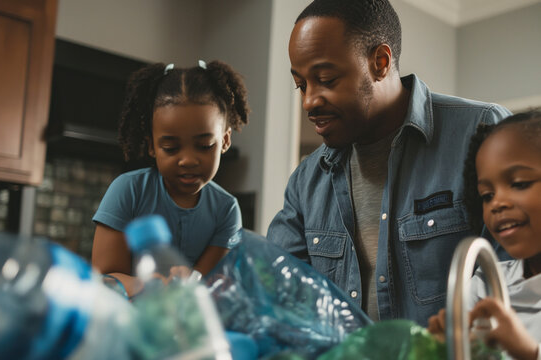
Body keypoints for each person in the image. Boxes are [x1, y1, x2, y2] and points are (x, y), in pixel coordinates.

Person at [266, 0, 512, 326]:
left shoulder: (482, 131)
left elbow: (520, 281)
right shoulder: (305, 182)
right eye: (301, 85)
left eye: (325, 79)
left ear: (380, 62)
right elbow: (279, 297)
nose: (309, 101)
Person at [91, 60, 250, 296]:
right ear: (152, 146)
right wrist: (149, 286)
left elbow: (204, 284)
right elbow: (103, 280)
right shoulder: (128, 191)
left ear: (225, 141)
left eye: (204, 146)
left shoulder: (226, 210)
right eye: (171, 147)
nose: (188, 160)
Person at [427, 110, 541, 360]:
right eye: (486, 195)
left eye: (520, 183)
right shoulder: (484, 285)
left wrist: (529, 353)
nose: (496, 203)